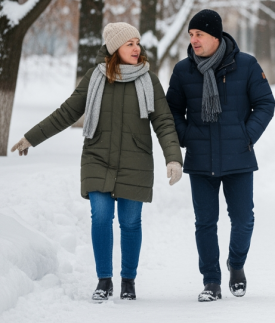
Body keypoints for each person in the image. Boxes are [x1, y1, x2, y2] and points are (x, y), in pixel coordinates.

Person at [10, 22, 183, 301]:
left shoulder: (148, 80)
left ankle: (128, 280)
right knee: (101, 218)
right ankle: (104, 279)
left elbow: (163, 121)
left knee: (130, 222)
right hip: (97, 157)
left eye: (137, 43)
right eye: (130, 44)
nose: (137, 48)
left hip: (135, 159)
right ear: (116, 48)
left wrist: (173, 158)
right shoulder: (95, 77)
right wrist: (32, 137)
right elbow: (66, 112)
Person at [166, 9, 275, 302]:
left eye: (199, 34)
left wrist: (246, 135)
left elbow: (265, 103)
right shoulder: (183, 70)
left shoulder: (246, 65)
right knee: (205, 222)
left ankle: (236, 264)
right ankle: (211, 281)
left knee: (243, 219)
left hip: (238, 156)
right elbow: (171, 110)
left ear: (215, 36)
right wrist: (187, 136)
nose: (194, 40)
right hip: (201, 159)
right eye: (190, 35)